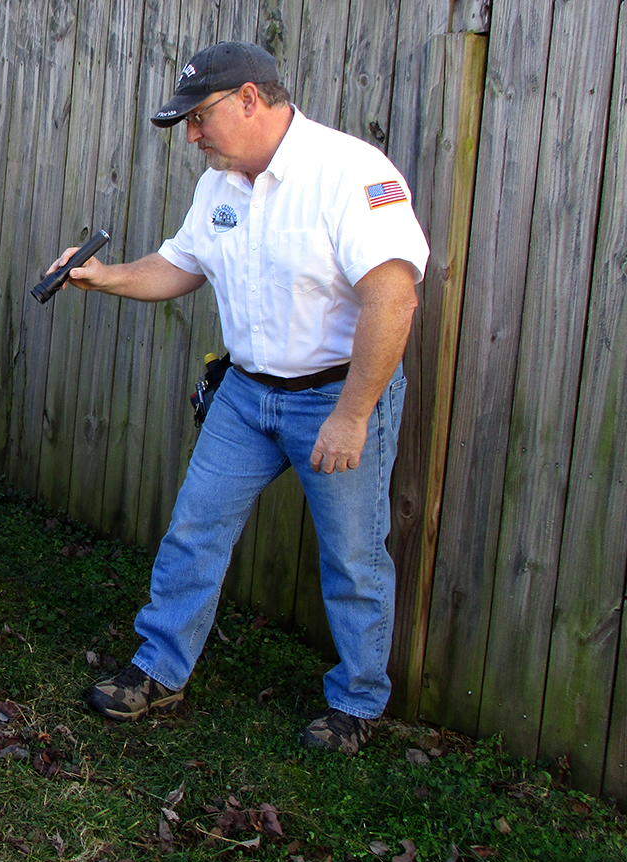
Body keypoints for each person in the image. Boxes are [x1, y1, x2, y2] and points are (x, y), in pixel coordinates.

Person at [48, 41, 428, 753]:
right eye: (186, 124)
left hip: (337, 398)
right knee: (195, 528)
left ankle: (357, 703)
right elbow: (178, 265)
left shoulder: (349, 173)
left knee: (353, 557)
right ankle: (159, 668)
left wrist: (352, 417)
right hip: (247, 397)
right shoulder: (219, 187)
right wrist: (103, 276)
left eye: (200, 119)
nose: (192, 136)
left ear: (251, 99)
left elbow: (392, 299)